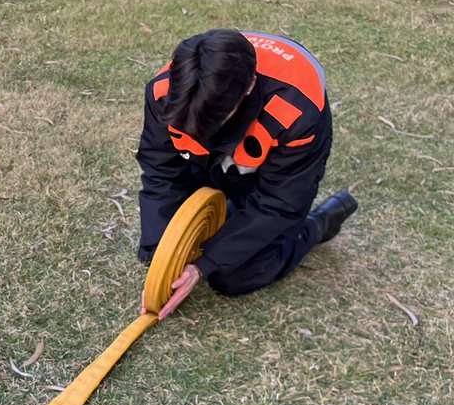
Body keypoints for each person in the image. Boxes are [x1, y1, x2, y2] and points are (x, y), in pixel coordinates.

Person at [136, 29, 359, 318]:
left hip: (272, 173)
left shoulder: (297, 113)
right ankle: (227, 205)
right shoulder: (164, 94)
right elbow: (160, 170)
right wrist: (160, 255)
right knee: (164, 243)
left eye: (211, 122)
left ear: (249, 87)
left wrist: (202, 267)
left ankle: (317, 226)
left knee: (235, 276)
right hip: (211, 157)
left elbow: (278, 204)